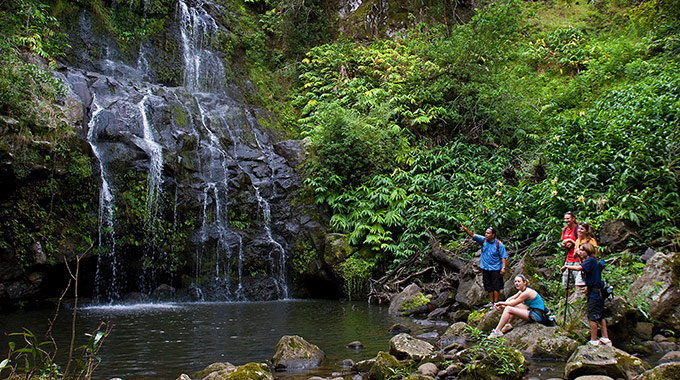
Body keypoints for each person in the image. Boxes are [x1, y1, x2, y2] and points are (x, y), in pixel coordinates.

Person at [561, 242, 611, 346]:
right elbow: (594, 275)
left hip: (595, 293)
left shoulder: (590, 260)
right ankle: (605, 337)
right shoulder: (591, 261)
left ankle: (594, 340)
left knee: (592, 315)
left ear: (587, 251)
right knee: (601, 315)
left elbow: (579, 268)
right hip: (597, 290)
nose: (580, 252)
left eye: (582, 250)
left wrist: (567, 266)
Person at [460, 223, 507, 307]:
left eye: (488, 233)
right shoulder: (483, 240)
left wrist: (503, 267)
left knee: (496, 286)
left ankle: (496, 302)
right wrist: (465, 229)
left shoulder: (499, 244)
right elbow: (473, 235)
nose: (486, 234)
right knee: (488, 285)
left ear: (493, 235)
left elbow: (503, 257)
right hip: (485, 268)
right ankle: (491, 302)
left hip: (495, 268)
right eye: (486, 233)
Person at [570, 222, 598, 291]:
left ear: (586, 231)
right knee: (578, 284)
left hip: (589, 266)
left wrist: (585, 253)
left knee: (586, 284)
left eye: (582, 229)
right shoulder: (577, 241)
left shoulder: (591, 241)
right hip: (582, 264)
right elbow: (575, 256)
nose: (579, 230)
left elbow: (595, 254)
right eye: (578, 228)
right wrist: (577, 252)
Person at [561, 211, 580, 293]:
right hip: (568, 258)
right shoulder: (565, 229)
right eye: (565, 219)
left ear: (573, 219)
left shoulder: (578, 229)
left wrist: (571, 241)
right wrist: (564, 245)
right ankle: (568, 300)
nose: (566, 221)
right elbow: (562, 242)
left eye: (568, 218)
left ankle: (577, 300)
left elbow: (582, 244)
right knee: (566, 282)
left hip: (577, 259)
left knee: (578, 281)